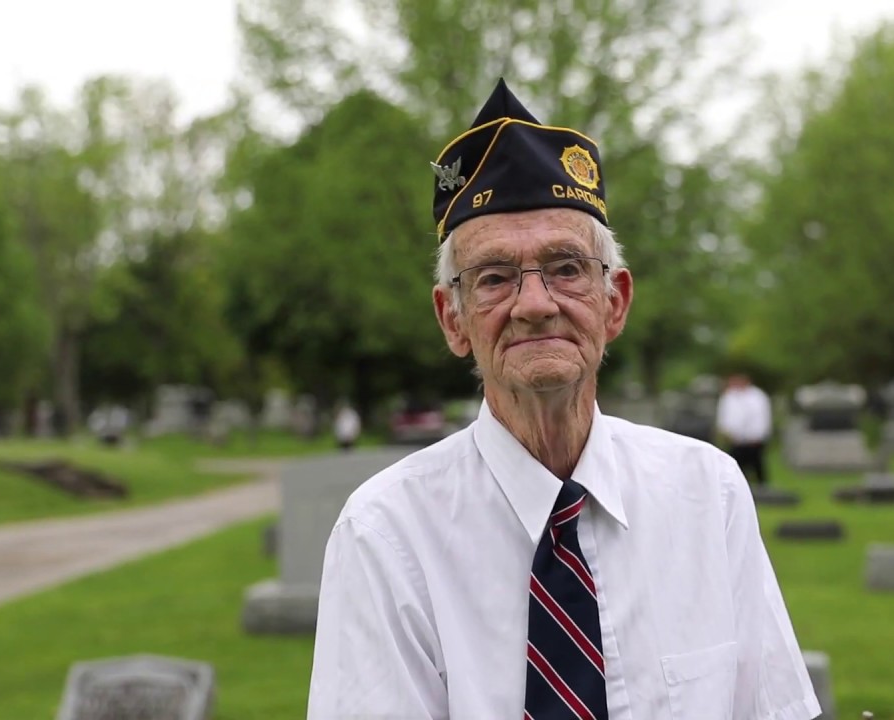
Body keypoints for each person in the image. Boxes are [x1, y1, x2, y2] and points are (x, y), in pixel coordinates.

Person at [307, 79, 819, 720]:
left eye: (567, 267)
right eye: (494, 277)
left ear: (616, 301)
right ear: (453, 319)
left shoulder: (707, 492)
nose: (535, 304)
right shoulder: (384, 534)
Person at [716, 373, 774, 486]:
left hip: (754, 438)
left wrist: (758, 434)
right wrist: (727, 432)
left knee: (756, 462)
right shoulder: (729, 396)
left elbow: (760, 416)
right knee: (735, 463)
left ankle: (762, 485)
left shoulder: (757, 396)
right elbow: (726, 415)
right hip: (735, 438)